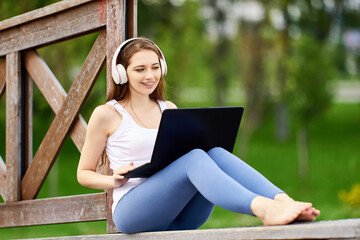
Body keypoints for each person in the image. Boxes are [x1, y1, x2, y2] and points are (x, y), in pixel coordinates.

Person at [77, 37, 320, 234]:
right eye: (139, 69)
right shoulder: (106, 114)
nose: (149, 76)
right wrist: (113, 180)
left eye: (154, 67)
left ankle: (282, 201)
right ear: (121, 73)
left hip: (181, 217)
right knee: (194, 157)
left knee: (214, 152)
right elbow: (83, 173)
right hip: (133, 211)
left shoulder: (168, 109)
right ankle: (263, 209)